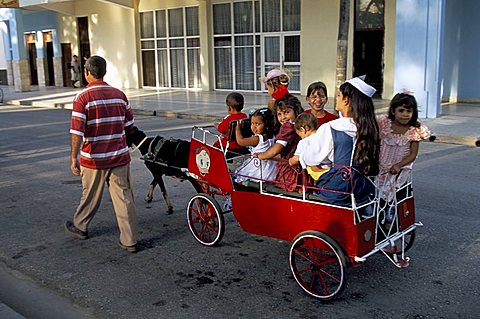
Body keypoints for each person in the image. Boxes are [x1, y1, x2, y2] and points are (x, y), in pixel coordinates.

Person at [65, 55, 139, 253]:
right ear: (104, 72)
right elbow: (129, 126)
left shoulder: (83, 97)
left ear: (87, 73)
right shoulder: (120, 95)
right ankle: (129, 240)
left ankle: (80, 226)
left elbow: (77, 131)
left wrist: (74, 157)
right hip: (119, 157)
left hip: (94, 160)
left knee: (90, 195)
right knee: (124, 197)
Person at [299, 76, 380, 206]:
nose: (336, 99)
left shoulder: (331, 127)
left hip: (337, 192)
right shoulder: (370, 127)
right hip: (363, 190)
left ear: (346, 100)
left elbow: (310, 158)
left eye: (338, 95)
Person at [377, 92, 430, 201]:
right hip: (380, 167)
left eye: (409, 111)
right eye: (401, 110)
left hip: (399, 170)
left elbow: (413, 154)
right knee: (376, 195)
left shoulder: (414, 130)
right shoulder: (384, 124)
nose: (405, 114)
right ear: (393, 111)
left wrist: (399, 165)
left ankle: (393, 215)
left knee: (397, 197)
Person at [254, 93, 304, 192]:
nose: (283, 117)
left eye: (286, 112)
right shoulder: (300, 125)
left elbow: (276, 149)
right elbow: (284, 153)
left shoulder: (287, 127)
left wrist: (261, 156)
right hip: (300, 168)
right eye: (279, 114)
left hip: (290, 170)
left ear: (296, 111)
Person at [234, 108, 277, 183]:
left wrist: (237, 129)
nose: (254, 127)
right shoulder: (272, 135)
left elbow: (240, 141)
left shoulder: (257, 138)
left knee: (241, 174)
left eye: (258, 124)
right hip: (270, 169)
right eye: (252, 123)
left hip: (258, 168)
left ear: (266, 125)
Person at [289, 113, 328, 181]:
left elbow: (296, 158)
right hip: (329, 169)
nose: (301, 137)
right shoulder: (324, 137)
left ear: (303, 129)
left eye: (300, 135)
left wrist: (291, 161)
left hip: (316, 173)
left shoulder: (304, 142)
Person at [214, 92, 248, 157]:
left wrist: (217, 126)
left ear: (229, 108)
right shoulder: (245, 116)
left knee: (215, 145)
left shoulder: (228, 119)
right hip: (242, 146)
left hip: (229, 146)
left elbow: (221, 129)